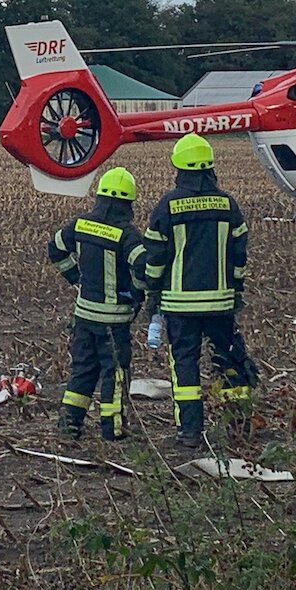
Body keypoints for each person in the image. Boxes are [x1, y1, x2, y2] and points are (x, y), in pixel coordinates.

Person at [143, 134, 259, 449]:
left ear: (179, 167)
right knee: (229, 360)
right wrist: (236, 289)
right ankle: (239, 426)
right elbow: (240, 255)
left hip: (179, 305)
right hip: (221, 303)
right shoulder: (228, 204)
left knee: (185, 365)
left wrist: (152, 291)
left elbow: (155, 256)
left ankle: (190, 432)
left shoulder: (168, 206)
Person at [47, 167, 148, 441]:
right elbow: (142, 266)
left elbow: (55, 248)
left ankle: (69, 423)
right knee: (115, 373)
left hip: (84, 316)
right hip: (113, 320)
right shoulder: (127, 234)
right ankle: (112, 428)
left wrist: (75, 278)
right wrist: (137, 294)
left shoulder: (80, 224)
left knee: (83, 369)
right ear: (128, 203)